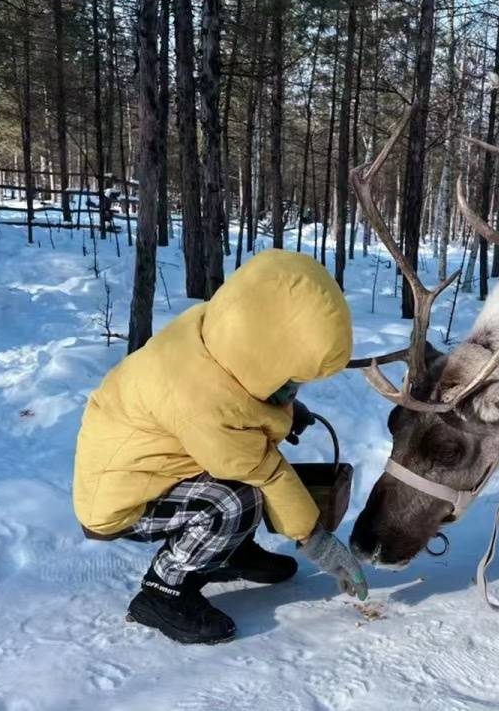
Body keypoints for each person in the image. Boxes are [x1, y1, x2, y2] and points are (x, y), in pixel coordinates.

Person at [73, 249, 368, 645]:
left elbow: (240, 394)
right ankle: (163, 589)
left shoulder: (211, 336)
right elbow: (261, 464)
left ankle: (227, 553)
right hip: (122, 502)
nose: (292, 387)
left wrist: (283, 404)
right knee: (237, 498)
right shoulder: (199, 397)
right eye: (292, 377)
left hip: (155, 467)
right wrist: (316, 541)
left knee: (243, 483)